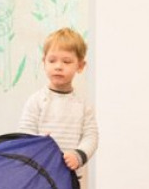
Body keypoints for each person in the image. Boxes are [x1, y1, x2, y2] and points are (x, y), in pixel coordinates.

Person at [18, 27, 99, 177]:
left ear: (80, 66)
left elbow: (91, 136)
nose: (58, 66)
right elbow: (24, 134)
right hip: (40, 173)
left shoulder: (83, 104)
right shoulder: (36, 100)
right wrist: (38, 143)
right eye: (52, 60)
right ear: (44, 62)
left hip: (70, 176)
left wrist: (78, 155)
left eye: (66, 61)